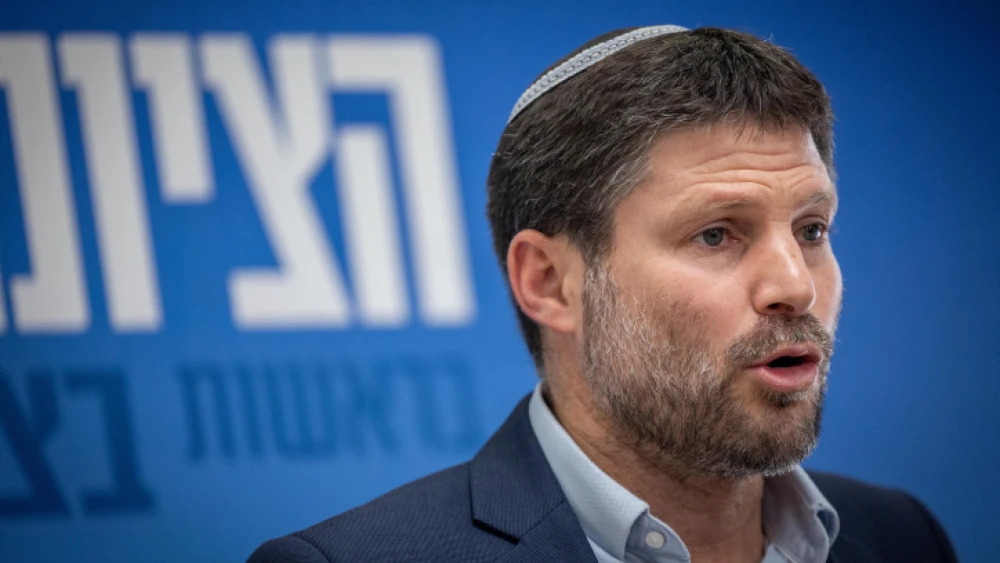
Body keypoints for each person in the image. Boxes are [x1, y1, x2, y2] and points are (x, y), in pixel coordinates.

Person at [248, 25, 958, 563]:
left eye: (811, 228)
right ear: (549, 282)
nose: (795, 285)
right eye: (716, 234)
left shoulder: (902, 535)